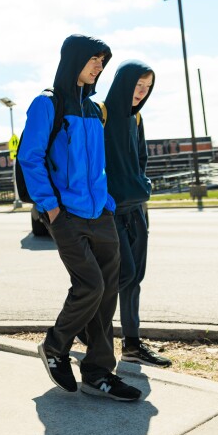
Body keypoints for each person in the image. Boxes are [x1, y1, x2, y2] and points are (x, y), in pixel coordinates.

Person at [18, 34, 141, 402]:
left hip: (100, 213)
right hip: (66, 214)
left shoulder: (94, 109)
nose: (99, 66)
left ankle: (98, 372)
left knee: (107, 295)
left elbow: (98, 163)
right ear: (74, 60)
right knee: (90, 286)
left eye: (103, 61)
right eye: (94, 59)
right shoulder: (47, 104)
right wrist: (50, 206)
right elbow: (30, 157)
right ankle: (55, 346)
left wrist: (106, 203)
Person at [102, 60, 172, 368]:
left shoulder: (137, 118)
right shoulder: (99, 113)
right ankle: (81, 319)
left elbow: (141, 158)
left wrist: (142, 185)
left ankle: (131, 343)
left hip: (137, 209)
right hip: (111, 210)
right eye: (137, 86)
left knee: (135, 278)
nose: (141, 93)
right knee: (123, 273)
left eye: (147, 88)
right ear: (123, 83)